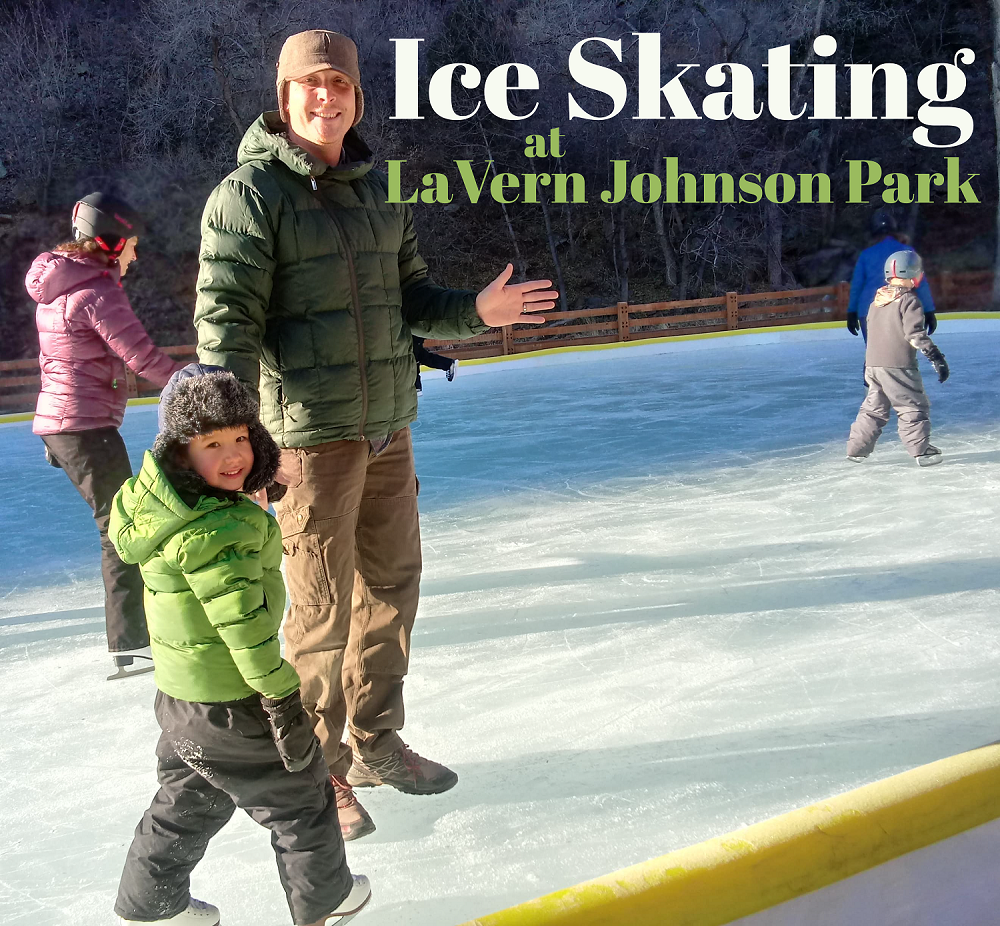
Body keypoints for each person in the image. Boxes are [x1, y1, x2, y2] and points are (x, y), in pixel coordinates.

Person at [193, 29, 557, 840]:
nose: (329, 98)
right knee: (319, 612)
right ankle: (318, 774)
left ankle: (375, 741)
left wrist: (477, 313)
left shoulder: (377, 191)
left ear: (358, 98)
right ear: (285, 97)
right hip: (307, 443)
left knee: (392, 589)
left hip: (388, 429)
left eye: (343, 86)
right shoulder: (248, 197)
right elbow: (224, 331)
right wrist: (241, 441)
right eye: (312, 85)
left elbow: (413, 300)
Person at [109, 369, 370, 926]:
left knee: (185, 806)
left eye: (241, 439)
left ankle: (154, 909)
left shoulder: (161, 506)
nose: (233, 457)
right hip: (234, 703)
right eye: (212, 444)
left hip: (183, 703)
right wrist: (281, 699)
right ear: (180, 450)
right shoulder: (218, 529)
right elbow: (244, 628)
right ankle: (328, 901)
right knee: (303, 798)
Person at [25, 192, 183, 679]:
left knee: (122, 521)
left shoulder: (59, 284)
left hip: (61, 426)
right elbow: (141, 355)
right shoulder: (97, 291)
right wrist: (195, 377)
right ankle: (132, 643)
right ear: (110, 243)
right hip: (83, 427)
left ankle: (135, 636)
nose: (136, 254)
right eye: (132, 244)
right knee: (120, 529)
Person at [846, 250, 949, 466]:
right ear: (913, 274)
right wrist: (936, 357)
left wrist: (870, 365)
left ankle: (857, 449)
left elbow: (872, 334)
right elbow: (915, 335)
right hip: (898, 366)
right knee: (912, 405)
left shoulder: (876, 302)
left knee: (873, 409)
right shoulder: (909, 301)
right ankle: (921, 451)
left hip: (874, 365)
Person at [847, 209, 937, 341]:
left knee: (875, 353)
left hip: (869, 309)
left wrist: (852, 312)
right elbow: (920, 283)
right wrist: (929, 310)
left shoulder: (866, 255)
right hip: (899, 309)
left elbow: (857, 286)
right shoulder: (907, 251)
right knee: (900, 353)